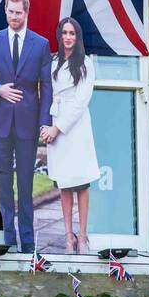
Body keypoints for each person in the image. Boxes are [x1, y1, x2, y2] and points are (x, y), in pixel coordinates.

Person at [0, 0, 52, 253]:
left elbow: (47, 86)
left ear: (26, 13)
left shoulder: (40, 44)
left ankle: (28, 243)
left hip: (28, 122)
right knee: (4, 181)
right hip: (1, 121)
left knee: (27, 183)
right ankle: (9, 240)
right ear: (5, 11)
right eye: (10, 12)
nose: (14, 17)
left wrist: (44, 121)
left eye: (18, 13)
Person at [41, 17, 100, 254]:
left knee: (81, 183)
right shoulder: (53, 62)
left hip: (76, 127)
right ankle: (68, 236)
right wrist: (47, 126)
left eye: (72, 33)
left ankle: (83, 236)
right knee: (64, 184)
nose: (68, 37)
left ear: (78, 37)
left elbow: (80, 101)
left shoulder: (85, 63)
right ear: (60, 35)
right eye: (65, 32)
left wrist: (58, 128)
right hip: (57, 121)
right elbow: (45, 93)